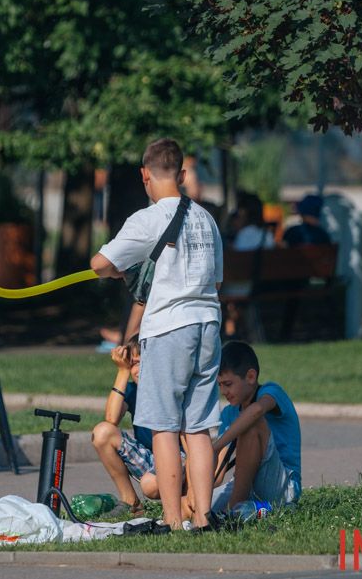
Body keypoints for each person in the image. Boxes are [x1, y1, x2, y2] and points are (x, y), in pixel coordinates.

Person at [91, 137, 224, 532]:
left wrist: (116, 270)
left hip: (169, 328)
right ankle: (202, 517)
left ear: (144, 174)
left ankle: (170, 520)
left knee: (165, 426)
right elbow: (216, 282)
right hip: (208, 324)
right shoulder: (206, 218)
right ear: (181, 174)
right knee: (197, 428)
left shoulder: (147, 218)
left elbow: (100, 263)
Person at [211, 340, 301, 521]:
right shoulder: (229, 412)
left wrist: (216, 446)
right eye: (219, 385)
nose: (223, 391)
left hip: (282, 487)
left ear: (251, 377)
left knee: (250, 425)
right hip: (246, 486)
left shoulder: (271, 392)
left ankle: (232, 514)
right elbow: (218, 472)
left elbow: (256, 411)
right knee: (198, 508)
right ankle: (255, 510)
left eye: (228, 384)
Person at [90, 338, 159, 515]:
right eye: (134, 364)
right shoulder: (132, 389)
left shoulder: (167, 387)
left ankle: (182, 500)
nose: (139, 370)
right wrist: (122, 372)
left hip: (178, 457)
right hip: (149, 457)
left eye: (145, 363)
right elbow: (111, 419)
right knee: (102, 432)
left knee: (150, 486)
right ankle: (131, 501)